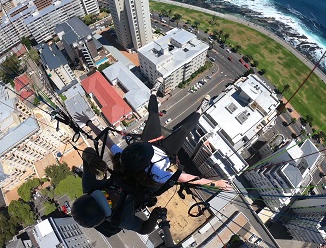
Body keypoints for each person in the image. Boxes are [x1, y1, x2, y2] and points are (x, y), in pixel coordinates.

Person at [71, 77, 231, 235]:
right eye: (109, 202)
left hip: (147, 144)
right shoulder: (123, 216)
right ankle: (200, 110)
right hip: (164, 153)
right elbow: (144, 228)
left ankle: (154, 92)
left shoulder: (94, 184)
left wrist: (90, 149)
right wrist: (214, 184)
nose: (110, 195)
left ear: (93, 194)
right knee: (183, 130)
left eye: (104, 194)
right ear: (108, 212)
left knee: (154, 116)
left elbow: (106, 142)